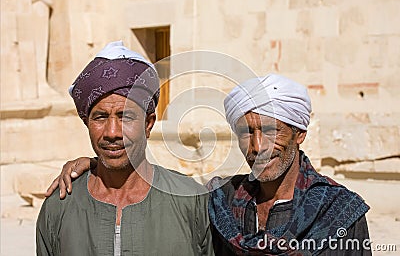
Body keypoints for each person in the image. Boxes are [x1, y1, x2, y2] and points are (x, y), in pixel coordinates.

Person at [46, 74, 371, 255]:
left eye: (272, 132)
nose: (258, 147)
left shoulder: (340, 212)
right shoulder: (222, 200)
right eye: (247, 133)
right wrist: (96, 164)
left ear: (299, 134)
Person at [36, 41, 214, 256]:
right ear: (87, 123)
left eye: (126, 117)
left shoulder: (191, 200)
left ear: (148, 124)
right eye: (100, 117)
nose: (112, 132)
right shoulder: (59, 207)